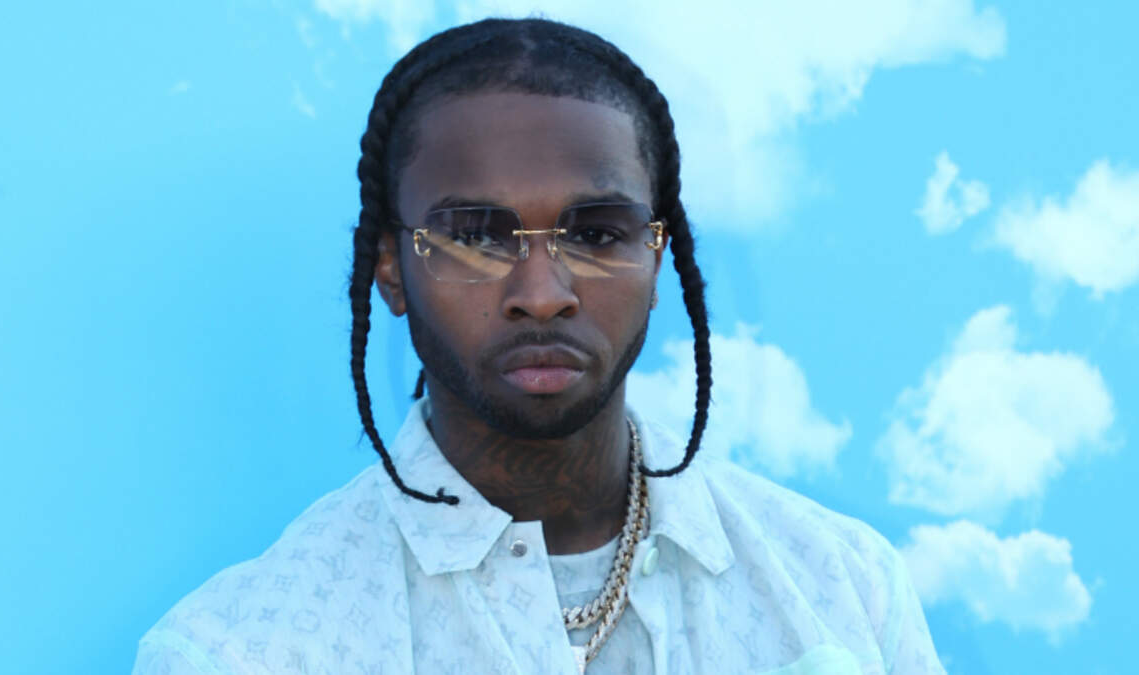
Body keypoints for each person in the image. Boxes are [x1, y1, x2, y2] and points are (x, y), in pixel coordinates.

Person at [133, 17, 945, 674]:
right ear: (389, 267)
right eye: (474, 236)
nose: (543, 290)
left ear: (655, 257)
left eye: (595, 232)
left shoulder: (845, 588)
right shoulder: (246, 651)